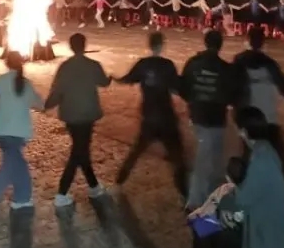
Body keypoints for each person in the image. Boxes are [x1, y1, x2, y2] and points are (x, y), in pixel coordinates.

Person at [183, 107, 284, 248]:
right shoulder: (268, 151)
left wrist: (226, 190)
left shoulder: (260, 160)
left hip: (264, 246)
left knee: (202, 230)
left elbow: (241, 202)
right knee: (206, 229)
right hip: (278, 236)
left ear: (243, 130)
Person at [0, 51, 45, 217]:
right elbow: (40, 105)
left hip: (2, 130)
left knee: (17, 165)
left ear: (6, 63)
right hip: (18, 132)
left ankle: (22, 198)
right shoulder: (27, 84)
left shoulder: (1, 80)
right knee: (11, 167)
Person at [114, 32, 188, 198]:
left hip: (149, 116)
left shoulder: (143, 64)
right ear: (161, 45)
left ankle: (119, 182)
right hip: (166, 117)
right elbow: (177, 88)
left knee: (136, 151)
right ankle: (185, 192)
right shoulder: (168, 65)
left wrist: (114, 78)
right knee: (178, 155)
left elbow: (127, 79)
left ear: (150, 45)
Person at [45, 33, 112, 207]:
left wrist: (46, 104)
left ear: (71, 47)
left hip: (71, 114)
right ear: (84, 45)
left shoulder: (64, 67)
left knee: (81, 150)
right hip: (87, 114)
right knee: (78, 152)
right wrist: (110, 78)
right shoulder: (93, 65)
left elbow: (57, 91)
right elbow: (104, 82)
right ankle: (62, 193)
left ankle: (94, 187)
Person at [228, 27, 284, 186]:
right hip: (268, 115)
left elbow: (232, 87)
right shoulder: (269, 63)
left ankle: (244, 182)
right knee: (278, 149)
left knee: (247, 149)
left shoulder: (239, 61)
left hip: (247, 115)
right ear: (263, 42)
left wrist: (233, 108)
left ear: (247, 40)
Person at [180, 30, 233, 208]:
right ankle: (198, 201)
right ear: (220, 45)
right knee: (210, 159)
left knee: (208, 157)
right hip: (216, 119)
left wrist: (195, 101)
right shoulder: (225, 68)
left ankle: (208, 198)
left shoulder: (193, 63)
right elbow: (230, 94)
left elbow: (183, 89)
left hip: (198, 116)